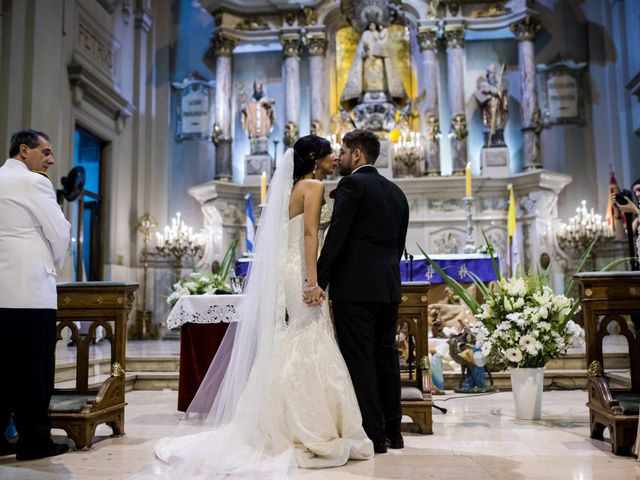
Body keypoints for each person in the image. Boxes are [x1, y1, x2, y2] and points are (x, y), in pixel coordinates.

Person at [151, 135, 373, 478]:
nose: (334, 157)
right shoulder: (312, 186)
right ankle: (303, 422)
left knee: (294, 336)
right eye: (329, 152)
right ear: (315, 157)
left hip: (287, 268)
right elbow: (310, 235)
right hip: (301, 267)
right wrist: (313, 283)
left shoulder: (290, 188)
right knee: (308, 336)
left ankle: (274, 417)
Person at [315, 129, 410, 453]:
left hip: (355, 288)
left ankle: (374, 436)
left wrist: (318, 282)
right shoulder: (397, 192)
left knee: (361, 361)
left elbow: (337, 238)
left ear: (357, 154)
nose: (338, 156)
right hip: (387, 286)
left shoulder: (352, 185)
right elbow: (397, 245)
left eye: (342, 151)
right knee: (386, 357)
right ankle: (394, 432)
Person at [0, 129, 71, 460]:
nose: (51, 160)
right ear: (24, 150)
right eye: (46, 152)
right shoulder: (34, 182)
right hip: (29, 292)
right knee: (33, 372)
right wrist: (52, 262)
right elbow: (60, 234)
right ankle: (34, 442)